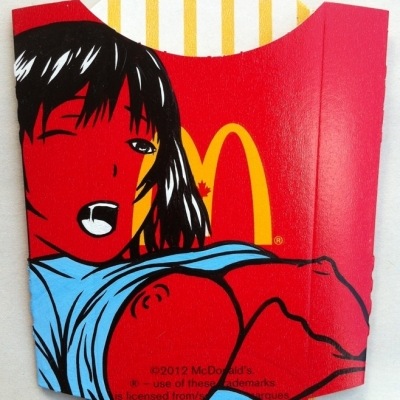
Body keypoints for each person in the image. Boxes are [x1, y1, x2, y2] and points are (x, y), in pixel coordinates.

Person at [14, 21, 368, 400]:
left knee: (240, 277)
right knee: (179, 304)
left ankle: (272, 306)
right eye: (71, 137)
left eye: (139, 146)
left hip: (178, 297)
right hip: (107, 329)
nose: (115, 169)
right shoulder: (45, 295)